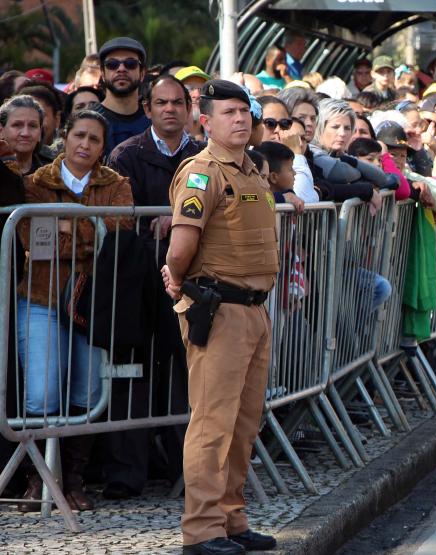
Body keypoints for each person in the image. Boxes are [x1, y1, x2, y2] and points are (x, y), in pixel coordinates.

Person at [162, 80, 278, 555]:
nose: (241, 119)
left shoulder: (251, 170)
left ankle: (232, 519)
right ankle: (203, 529)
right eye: (229, 112)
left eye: (245, 111)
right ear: (205, 121)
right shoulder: (202, 172)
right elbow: (182, 246)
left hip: (253, 309)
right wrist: (177, 276)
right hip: (219, 309)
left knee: (245, 422)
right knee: (212, 424)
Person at [16, 110, 134, 512]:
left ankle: (75, 480)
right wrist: (91, 230)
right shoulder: (35, 183)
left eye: (94, 139)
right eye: (79, 135)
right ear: (65, 137)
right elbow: (33, 238)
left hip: (92, 301)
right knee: (42, 390)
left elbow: (118, 239)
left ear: (104, 146)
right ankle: (40, 479)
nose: (85, 144)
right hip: (40, 296)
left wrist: (72, 227)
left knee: (89, 390)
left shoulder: (116, 184)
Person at [105, 74, 203, 500]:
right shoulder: (126, 154)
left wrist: (178, 226)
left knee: (187, 373)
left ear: (188, 108)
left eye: (177, 103)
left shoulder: (203, 154)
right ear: (147, 109)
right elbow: (117, 217)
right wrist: (156, 226)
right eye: (161, 103)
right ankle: (127, 474)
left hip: (189, 279)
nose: (169, 110)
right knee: (133, 373)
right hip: (137, 278)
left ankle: (187, 470)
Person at [96, 36, 151, 156]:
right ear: (102, 73)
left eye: (130, 64)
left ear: (142, 73)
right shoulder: (88, 120)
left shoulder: (154, 122)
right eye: (112, 64)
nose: (121, 69)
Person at [0, 95, 44, 176]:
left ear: (40, 133)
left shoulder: (52, 175)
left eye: (32, 126)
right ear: (1, 131)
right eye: (17, 125)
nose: (25, 133)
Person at [175, 66, 211, 142]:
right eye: (189, 89)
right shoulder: (166, 138)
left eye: (201, 89)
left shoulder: (216, 134)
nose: (197, 95)